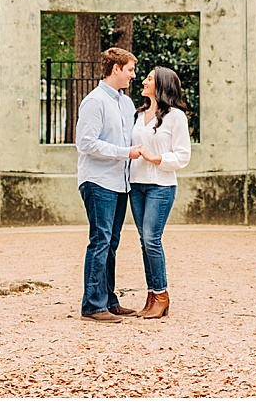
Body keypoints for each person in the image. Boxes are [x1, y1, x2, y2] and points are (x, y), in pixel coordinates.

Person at [75, 47, 142, 322]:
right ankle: (92, 305)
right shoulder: (94, 101)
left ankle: (109, 300)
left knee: (111, 242)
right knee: (100, 240)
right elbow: (86, 143)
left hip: (119, 182)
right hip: (98, 180)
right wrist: (124, 152)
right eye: (129, 70)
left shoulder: (125, 103)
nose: (133, 75)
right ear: (116, 69)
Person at [128, 66, 192, 319]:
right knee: (144, 242)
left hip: (160, 186)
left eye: (149, 79)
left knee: (152, 239)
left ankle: (162, 295)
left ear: (161, 85)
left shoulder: (175, 116)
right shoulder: (138, 113)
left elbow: (183, 155)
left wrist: (157, 158)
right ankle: (152, 295)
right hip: (136, 184)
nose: (143, 81)